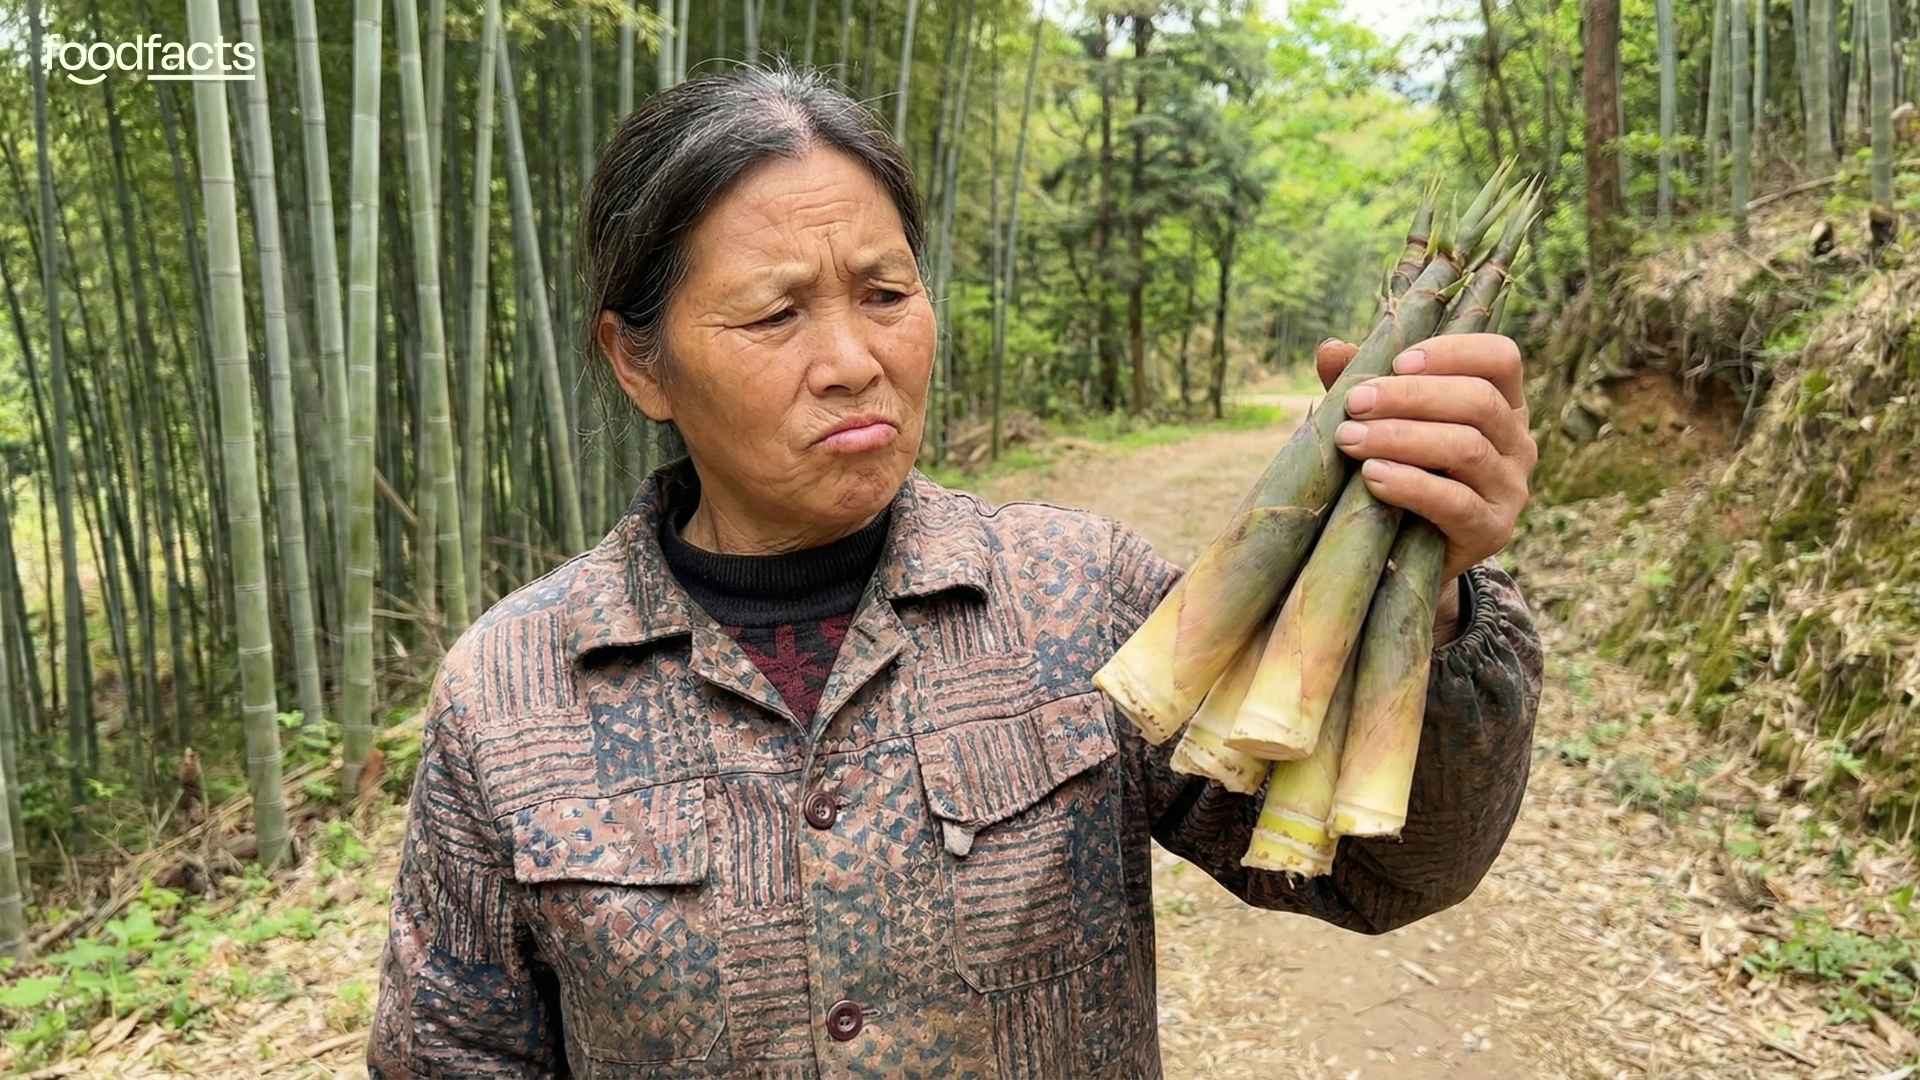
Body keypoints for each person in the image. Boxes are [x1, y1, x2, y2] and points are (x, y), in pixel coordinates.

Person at [367, 66, 1542, 1079]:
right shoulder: (512, 694)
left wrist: (1427, 589)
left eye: (886, 296)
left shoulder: (1082, 601)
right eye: (776, 316)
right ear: (639, 362)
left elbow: (1386, 875)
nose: (852, 361)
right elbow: (453, 1054)